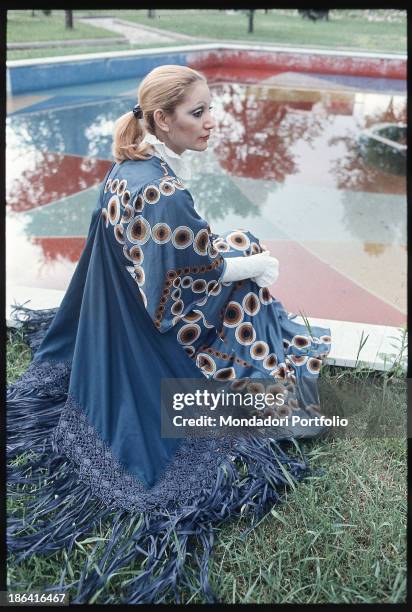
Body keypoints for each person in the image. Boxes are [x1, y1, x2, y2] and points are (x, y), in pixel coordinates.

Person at [7, 65, 332, 604]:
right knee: (251, 288)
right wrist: (252, 267)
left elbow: (167, 258)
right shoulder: (162, 191)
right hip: (147, 334)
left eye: (211, 108)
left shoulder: (127, 169)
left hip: (111, 319)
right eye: (198, 113)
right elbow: (175, 299)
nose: (212, 123)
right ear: (162, 118)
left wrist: (234, 255)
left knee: (241, 246)